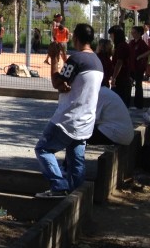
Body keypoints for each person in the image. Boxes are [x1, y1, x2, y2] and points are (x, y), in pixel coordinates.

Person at [34, 22, 103, 198]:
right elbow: (71, 81)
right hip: (86, 120)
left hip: (68, 119)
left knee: (43, 149)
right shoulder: (97, 61)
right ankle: (78, 197)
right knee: (75, 161)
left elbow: (58, 83)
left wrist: (54, 59)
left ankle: (58, 186)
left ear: (76, 38)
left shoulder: (77, 59)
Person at [109, 25, 133, 106]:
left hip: (122, 78)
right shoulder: (122, 45)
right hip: (123, 77)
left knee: (119, 101)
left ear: (116, 35)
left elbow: (119, 63)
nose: (110, 37)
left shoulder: (121, 46)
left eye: (111, 35)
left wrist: (114, 77)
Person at [129, 25, 150, 109]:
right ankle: (128, 103)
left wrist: (140, 56)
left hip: (138, 67)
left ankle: (138, 105)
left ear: (139, 33)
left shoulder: (141, 43)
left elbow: (149, 50)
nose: (132, 34)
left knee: (138, 85)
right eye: (132, 32)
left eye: (134, 32)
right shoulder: (131, 42)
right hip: (131, 66)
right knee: (129, 84)